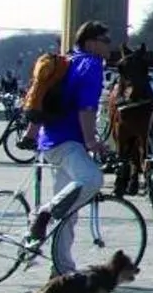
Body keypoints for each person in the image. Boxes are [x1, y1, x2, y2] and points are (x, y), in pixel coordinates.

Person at [28, 21, 115, 276]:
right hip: (68, 141)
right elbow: (86, 107)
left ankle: (61, 267)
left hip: (52, 139)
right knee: (92, 179)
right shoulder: (91, 65)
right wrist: (91, 140)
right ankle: (42, 214)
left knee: (68, 211)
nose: (109, 44)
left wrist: (32, 132)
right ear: (90, 42)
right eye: (105, 39)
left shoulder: (68, 61)